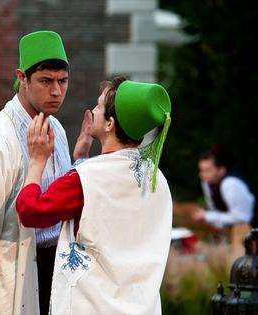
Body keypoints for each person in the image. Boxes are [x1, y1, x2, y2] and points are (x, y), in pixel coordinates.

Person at [16, 77, 173, 314]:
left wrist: (37, 160)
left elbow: (30, 211)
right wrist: (81, 159)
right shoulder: (156, 178)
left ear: (109, 123)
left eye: (99, 106)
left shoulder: (85, 179)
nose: (94, 110)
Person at [0, 30, 77, 315]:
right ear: (22, 78)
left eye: (62, 81)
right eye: (46, 81)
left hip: (56, 276)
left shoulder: (56, 129)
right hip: (11, 280)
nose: (56, 91)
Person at [192, 145, 258, 248]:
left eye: (208, 170)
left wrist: (207, 216)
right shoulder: (207, 183)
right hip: (243, 236)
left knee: (241, 228)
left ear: (221, 170)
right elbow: (215, 211)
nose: (202, 175)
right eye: (201, 170)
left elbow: (243, 217)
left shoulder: (231, 184)